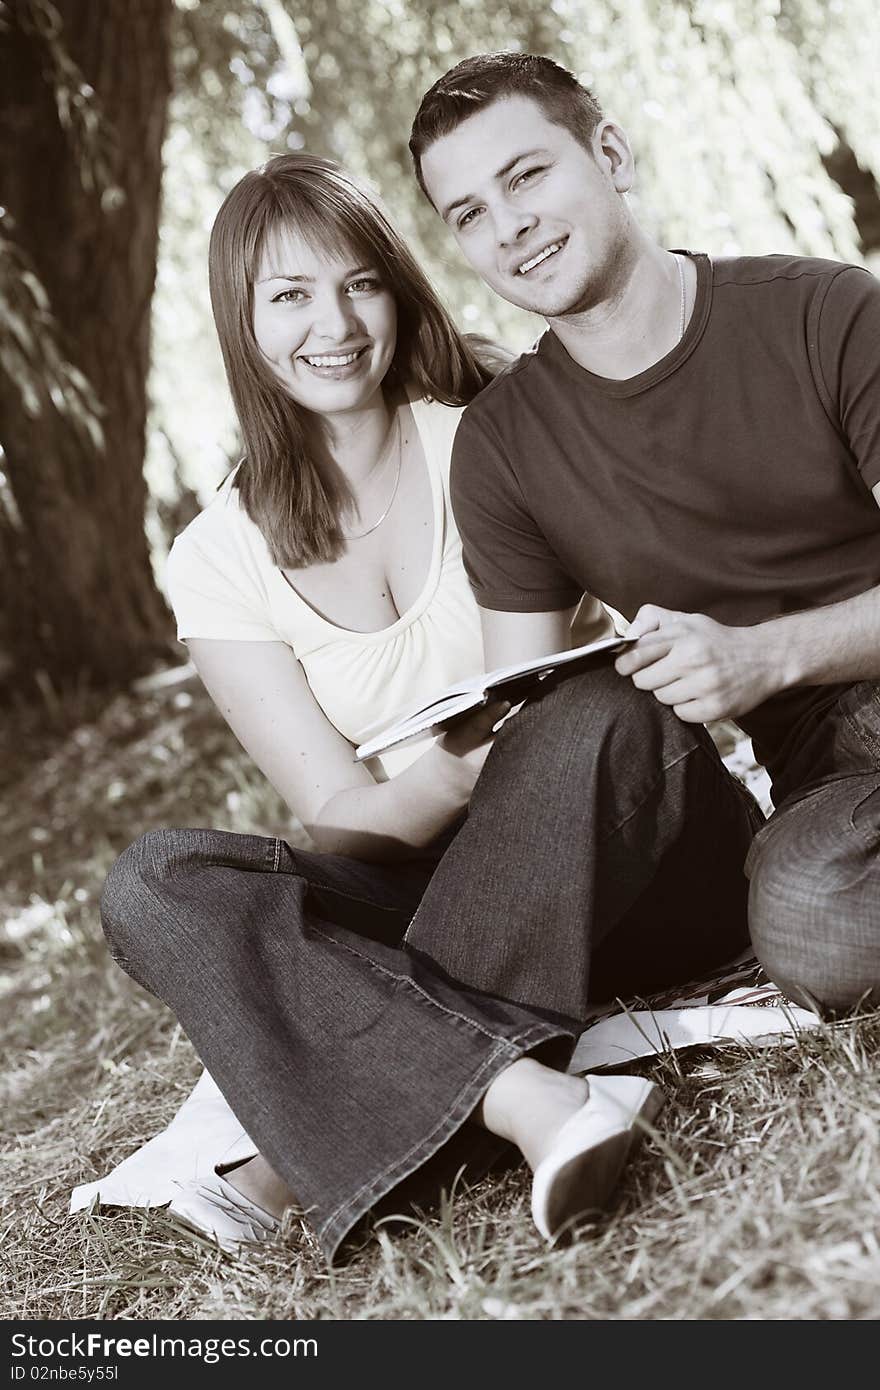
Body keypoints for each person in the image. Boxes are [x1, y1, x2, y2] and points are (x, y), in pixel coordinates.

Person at [96, 151, 757, 1263]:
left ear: (397, 288)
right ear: (241, 321)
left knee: (592, 713)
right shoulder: (217, 556)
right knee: (156, 881)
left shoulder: (492, 427)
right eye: (290, 295)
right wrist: (445, 776)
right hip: (433, 871)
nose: (335, 323)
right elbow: (338, 816)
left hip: (627, 843)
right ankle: (527, 1103)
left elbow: (667, 598)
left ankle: (291, 1151)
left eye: (358, 282)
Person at [408, 52, 880, 1018]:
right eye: (468, 214)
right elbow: (526, 725)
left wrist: (762, 655)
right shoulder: (503, 448)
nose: (510, 227)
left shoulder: (824, 311)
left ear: (610, 154)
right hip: (833, 780)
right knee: (801, 917)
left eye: (526, 175)